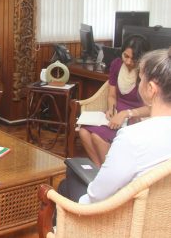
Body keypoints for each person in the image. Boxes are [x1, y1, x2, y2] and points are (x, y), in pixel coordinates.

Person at [59, 47, 171, 204]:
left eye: (141, 78)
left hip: (119, 212)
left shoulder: (132, 138)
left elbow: (96, 196)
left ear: (151, 89)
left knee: (67, 182)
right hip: (156, 214)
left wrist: (79, 203)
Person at [79, 35, 151, 167]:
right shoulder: (117, 64)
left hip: (136, 117)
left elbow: (150, 108)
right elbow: (111, 95)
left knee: (96, 137)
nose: (128, 62)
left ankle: (108, 173)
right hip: (117, 113)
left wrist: (125, 114)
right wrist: (111, 110)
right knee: (83, 132)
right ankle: (99, 170)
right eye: (126, 56)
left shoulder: (148, 72)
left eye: (133, 59)